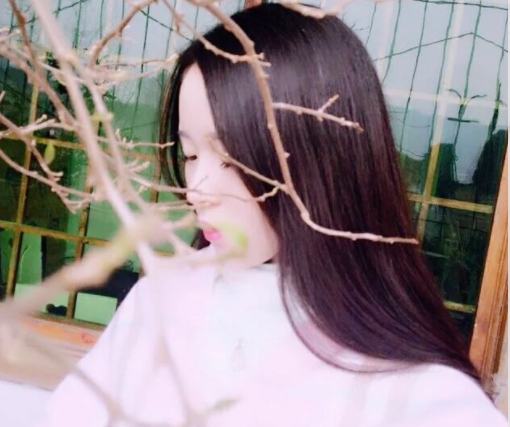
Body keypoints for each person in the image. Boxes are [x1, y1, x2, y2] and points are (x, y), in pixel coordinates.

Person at [38, 3, 507, 426]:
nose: (197, 189)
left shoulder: (416, 391)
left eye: (231, 158)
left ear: (323, 159)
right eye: (191, 154)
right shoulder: (161, 300)